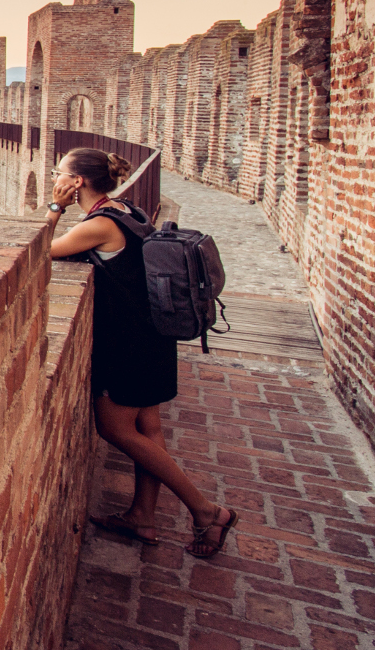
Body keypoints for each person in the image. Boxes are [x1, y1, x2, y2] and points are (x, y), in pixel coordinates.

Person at [48, 147, 235, 558]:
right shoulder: (126, 209)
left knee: (114, 429)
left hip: (127, 344)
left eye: (59, 172)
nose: (54, 176)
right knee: (149, 429)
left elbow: (40, 249)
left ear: (77, 182)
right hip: (155, 336)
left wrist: (54, 208)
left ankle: (207, 512)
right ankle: (142, 517)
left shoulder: (97, 224)